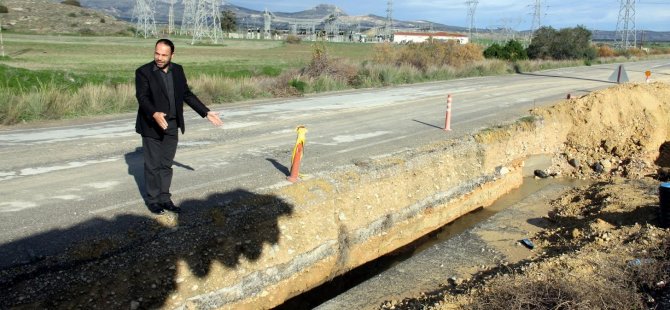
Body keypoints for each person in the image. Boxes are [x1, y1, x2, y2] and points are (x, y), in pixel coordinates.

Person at [135, 38, 223, 214]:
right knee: (153, 166)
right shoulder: (143, 72)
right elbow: (142, 97)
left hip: (172, 125)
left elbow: (186, 94)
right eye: (157, 53)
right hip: (152, 125)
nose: (159, 58)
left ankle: (165, 198)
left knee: (166, 165)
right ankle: (153, 201)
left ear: (172, 55)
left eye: (164, 55)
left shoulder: (178, 70)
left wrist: (205, 112)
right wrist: (154, 113)